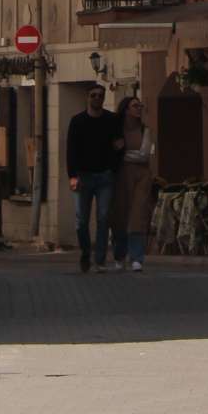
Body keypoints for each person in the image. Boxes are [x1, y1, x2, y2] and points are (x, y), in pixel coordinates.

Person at [66, 81, 122, 271]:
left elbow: (119, 145)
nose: (97, 98)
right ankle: (85, 253)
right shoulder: (77, 121)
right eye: (93, 95)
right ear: (87, 97)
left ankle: (99, 260)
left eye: (100, 95)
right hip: (83, 176)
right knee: (81, 220)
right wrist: (72, 175)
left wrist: (114, 167)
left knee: (103, 217)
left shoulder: (111, 119)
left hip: (105, 176)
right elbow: (71, 150)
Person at [110, 97, 155, 272]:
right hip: (120, 177)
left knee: (138, 215)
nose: (139, 108)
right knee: (120, 215)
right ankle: (119, 255)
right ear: (126, 110)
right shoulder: (117, 130)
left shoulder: (145, 130)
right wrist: (121, 154)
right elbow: (111, 151)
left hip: (141, 177)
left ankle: (137, 257)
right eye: (135, 106)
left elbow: (144, 155)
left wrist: (122, 153)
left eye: (140, 105)